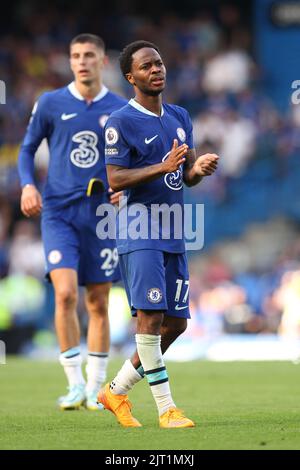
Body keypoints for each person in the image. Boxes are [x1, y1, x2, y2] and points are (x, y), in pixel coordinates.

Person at [97, 40, 219, 428]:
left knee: (176, 323)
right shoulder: (120, 121)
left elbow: (184, 176)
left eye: (160, 63)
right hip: (138, 227)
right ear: (131, 77)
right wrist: (160, 165)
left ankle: (114, 391)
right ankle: (167, 409)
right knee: (149, 318)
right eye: (147, 66)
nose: (157, 70)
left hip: (173, 229)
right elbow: (115, 177)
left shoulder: (180, 115)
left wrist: (197, 168)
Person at [18, 34, 126, 410]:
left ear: (103, 62)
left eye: (89, 56)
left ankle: (98, 388)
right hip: (59, 211)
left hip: (101, 216)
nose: (82, 62)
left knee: (97, 301)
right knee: (64, 293)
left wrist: (124, 190)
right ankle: (74, 384)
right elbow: (28, 147)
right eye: (76, 56)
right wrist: (28, 184)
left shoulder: (120, 108)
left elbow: (131, 161)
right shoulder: (50, 102)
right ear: (70, 61)